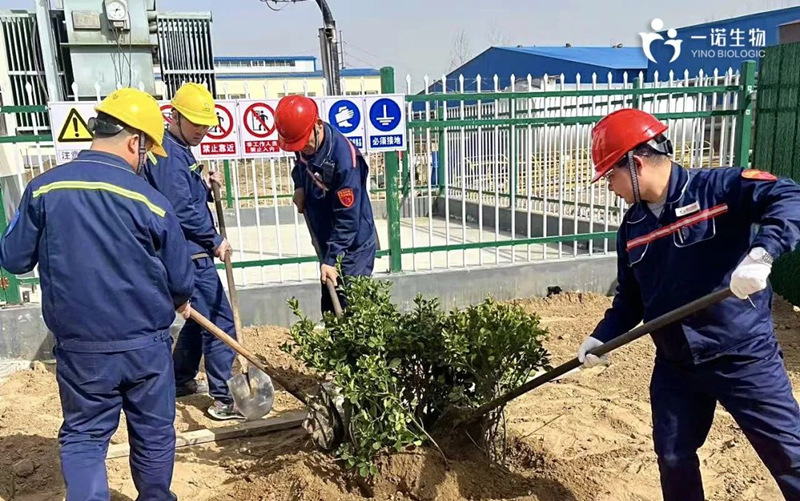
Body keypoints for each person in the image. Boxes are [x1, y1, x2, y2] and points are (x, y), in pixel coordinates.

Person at [576, 108, 800, 500]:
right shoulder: (632, 229)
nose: (609, 185)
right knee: (674, 455)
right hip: (676, 363)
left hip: (742, 354)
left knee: (788, 454)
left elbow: (789, 196)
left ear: (636, 162)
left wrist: (764, 252)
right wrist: (601, 338)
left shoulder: (719, 189)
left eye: (610, 174)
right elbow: (630, 299)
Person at [0, 88, 194, 501]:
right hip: (146, 347)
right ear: (134, 141)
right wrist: (178, 297)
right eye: (147, 153)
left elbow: (14, 259)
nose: (146, 162)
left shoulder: (43, 190)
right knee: (154, 430)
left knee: (85, 436)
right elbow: (181, 279)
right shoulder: (153, 203)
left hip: (82, 349)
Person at [143, 82, 242, 420]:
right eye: (196, 123)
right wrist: (214, 239)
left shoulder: (175, 149)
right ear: (175, 116)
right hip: (189, 253)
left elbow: (184, 194)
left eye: (205, 124)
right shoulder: (168, 155)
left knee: (199, 320)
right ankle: (224, 399)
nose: (202, 130)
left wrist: (204, 180)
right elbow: (180, 210)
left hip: (187, 250)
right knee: (219, 319)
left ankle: (180, 378)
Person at [274, 95, 377, 314]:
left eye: (305, 144)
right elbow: (300, 164)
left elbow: (348, 219)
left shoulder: (345, 161)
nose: (303, 149)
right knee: (330, 307)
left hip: (352, 246)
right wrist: (300, 186)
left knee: (352, 306)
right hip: (327, 236)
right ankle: (333, 344)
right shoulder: (302, 137)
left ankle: (355, 348)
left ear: (317, 126)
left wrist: (331, 259)